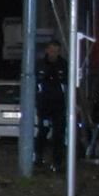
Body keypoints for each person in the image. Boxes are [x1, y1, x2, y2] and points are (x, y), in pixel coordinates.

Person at [36, 40, 69, 170]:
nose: (54, 53)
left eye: (56, 51)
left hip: (58, 105)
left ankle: (57, 162)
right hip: (44, 104)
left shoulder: (63, 65)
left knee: (58, 134)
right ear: (47, 50)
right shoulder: (40, 65)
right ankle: (38, 157)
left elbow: (67, 85)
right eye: (52, 50)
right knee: (43, 130)